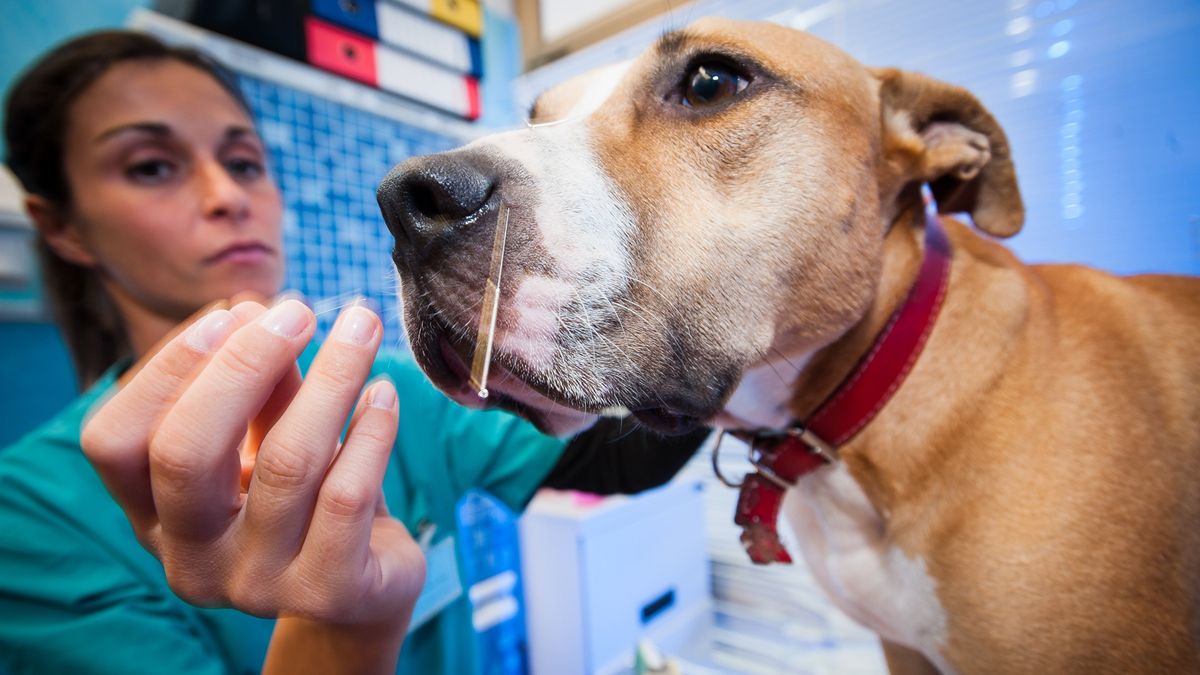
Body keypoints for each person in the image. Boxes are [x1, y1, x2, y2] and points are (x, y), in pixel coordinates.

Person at [0, 30, 709, 674]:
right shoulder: (28, 521)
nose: (226, 197)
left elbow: (619, 455)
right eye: (152, 167)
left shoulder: (388, 390)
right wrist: (348, 629)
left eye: (243, 162)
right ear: (61, 227)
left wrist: (741, 322)